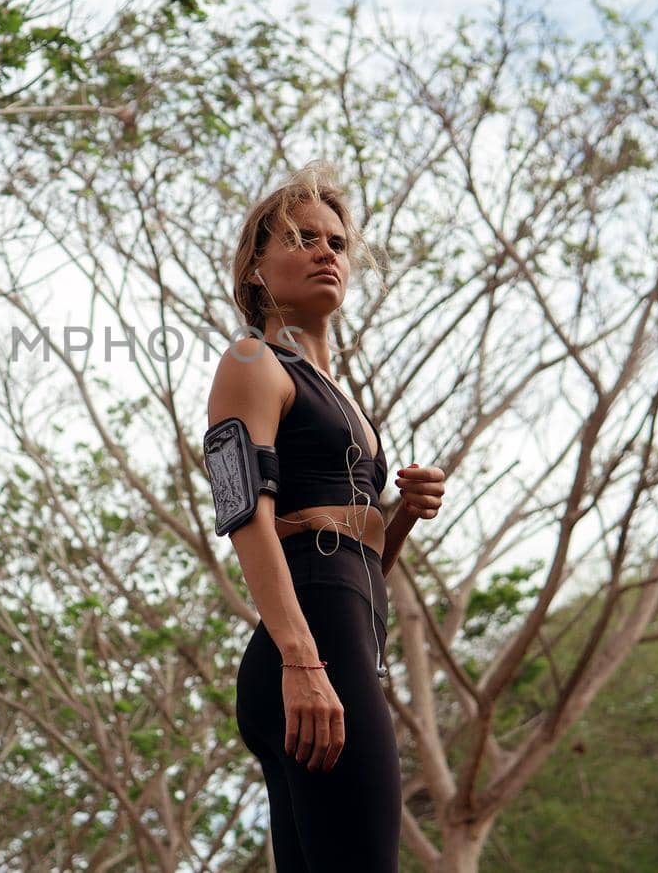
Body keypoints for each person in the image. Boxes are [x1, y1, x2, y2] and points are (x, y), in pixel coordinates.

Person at [204, 166, 446, 872]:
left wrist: (399, 515)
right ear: (256, 265)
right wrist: (302, 661)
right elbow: (243, 509)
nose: (326, 251)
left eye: (336, 241)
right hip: (307, 649)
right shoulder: (253, 359)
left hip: (338, 633)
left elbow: (357, 565)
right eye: (302, 238)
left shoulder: (342, 395)